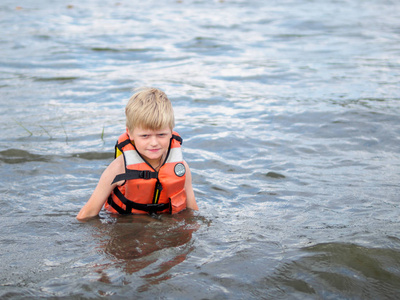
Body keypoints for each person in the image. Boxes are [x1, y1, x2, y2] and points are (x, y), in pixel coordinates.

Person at [76, 87, 198, 221]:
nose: (154, 142)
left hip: (163, 228)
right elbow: (87, 214)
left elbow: (192, 211)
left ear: (171, 131)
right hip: (125, 228)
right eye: (145, 135)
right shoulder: (118, 168)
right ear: (130, 133)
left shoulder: (181, 168)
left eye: (161, 134)